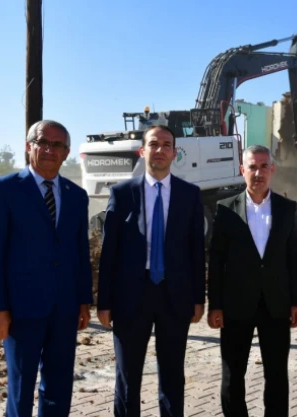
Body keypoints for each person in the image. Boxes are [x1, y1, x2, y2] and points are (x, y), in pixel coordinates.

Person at [0, 120, 93, 417]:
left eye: (57, 145)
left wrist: (83, 301)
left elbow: (80, 252)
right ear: (29, 146)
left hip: (65, 308)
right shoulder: (4, 190)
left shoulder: (76, 195)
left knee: (59, 386)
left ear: (66, 152)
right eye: (42, 142)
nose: (49, 150)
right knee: (21, 387)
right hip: (20, 311)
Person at [96, 125, 205, 417]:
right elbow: (109, 252)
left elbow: (196, 251)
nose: (160, 150)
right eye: (154, 144)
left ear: (175, 153)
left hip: (174, 296)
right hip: (131, 296)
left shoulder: (190, 195)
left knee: (172, 376)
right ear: (142, 151)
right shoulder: (122, 194)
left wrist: (198, 298)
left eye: (166, 145)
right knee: (127, 378)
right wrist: (104, 302)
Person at [207, 144, 297, 417]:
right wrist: (215, 305)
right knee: (232, 375)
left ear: (272, 169)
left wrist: (295, 302)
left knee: (277, 376)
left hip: (276, 305)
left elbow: (294, 258)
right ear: (242, 170)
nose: (258, 173)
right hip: (236, 306)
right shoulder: (226, 209)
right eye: (252, 167)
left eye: (263, 167)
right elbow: (216, 261)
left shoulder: (287, 209)